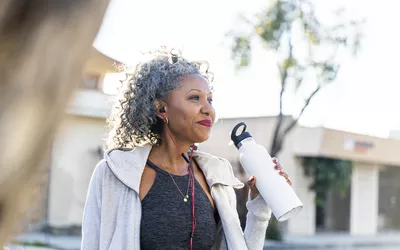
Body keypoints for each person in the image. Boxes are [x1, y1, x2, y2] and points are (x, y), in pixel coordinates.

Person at [81, 47, 291, 250]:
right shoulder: (115, 174)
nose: (208, 109)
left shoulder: (216, 178)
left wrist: (260, 205)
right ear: (162, 108)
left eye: (210, 100)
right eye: (194, 98)